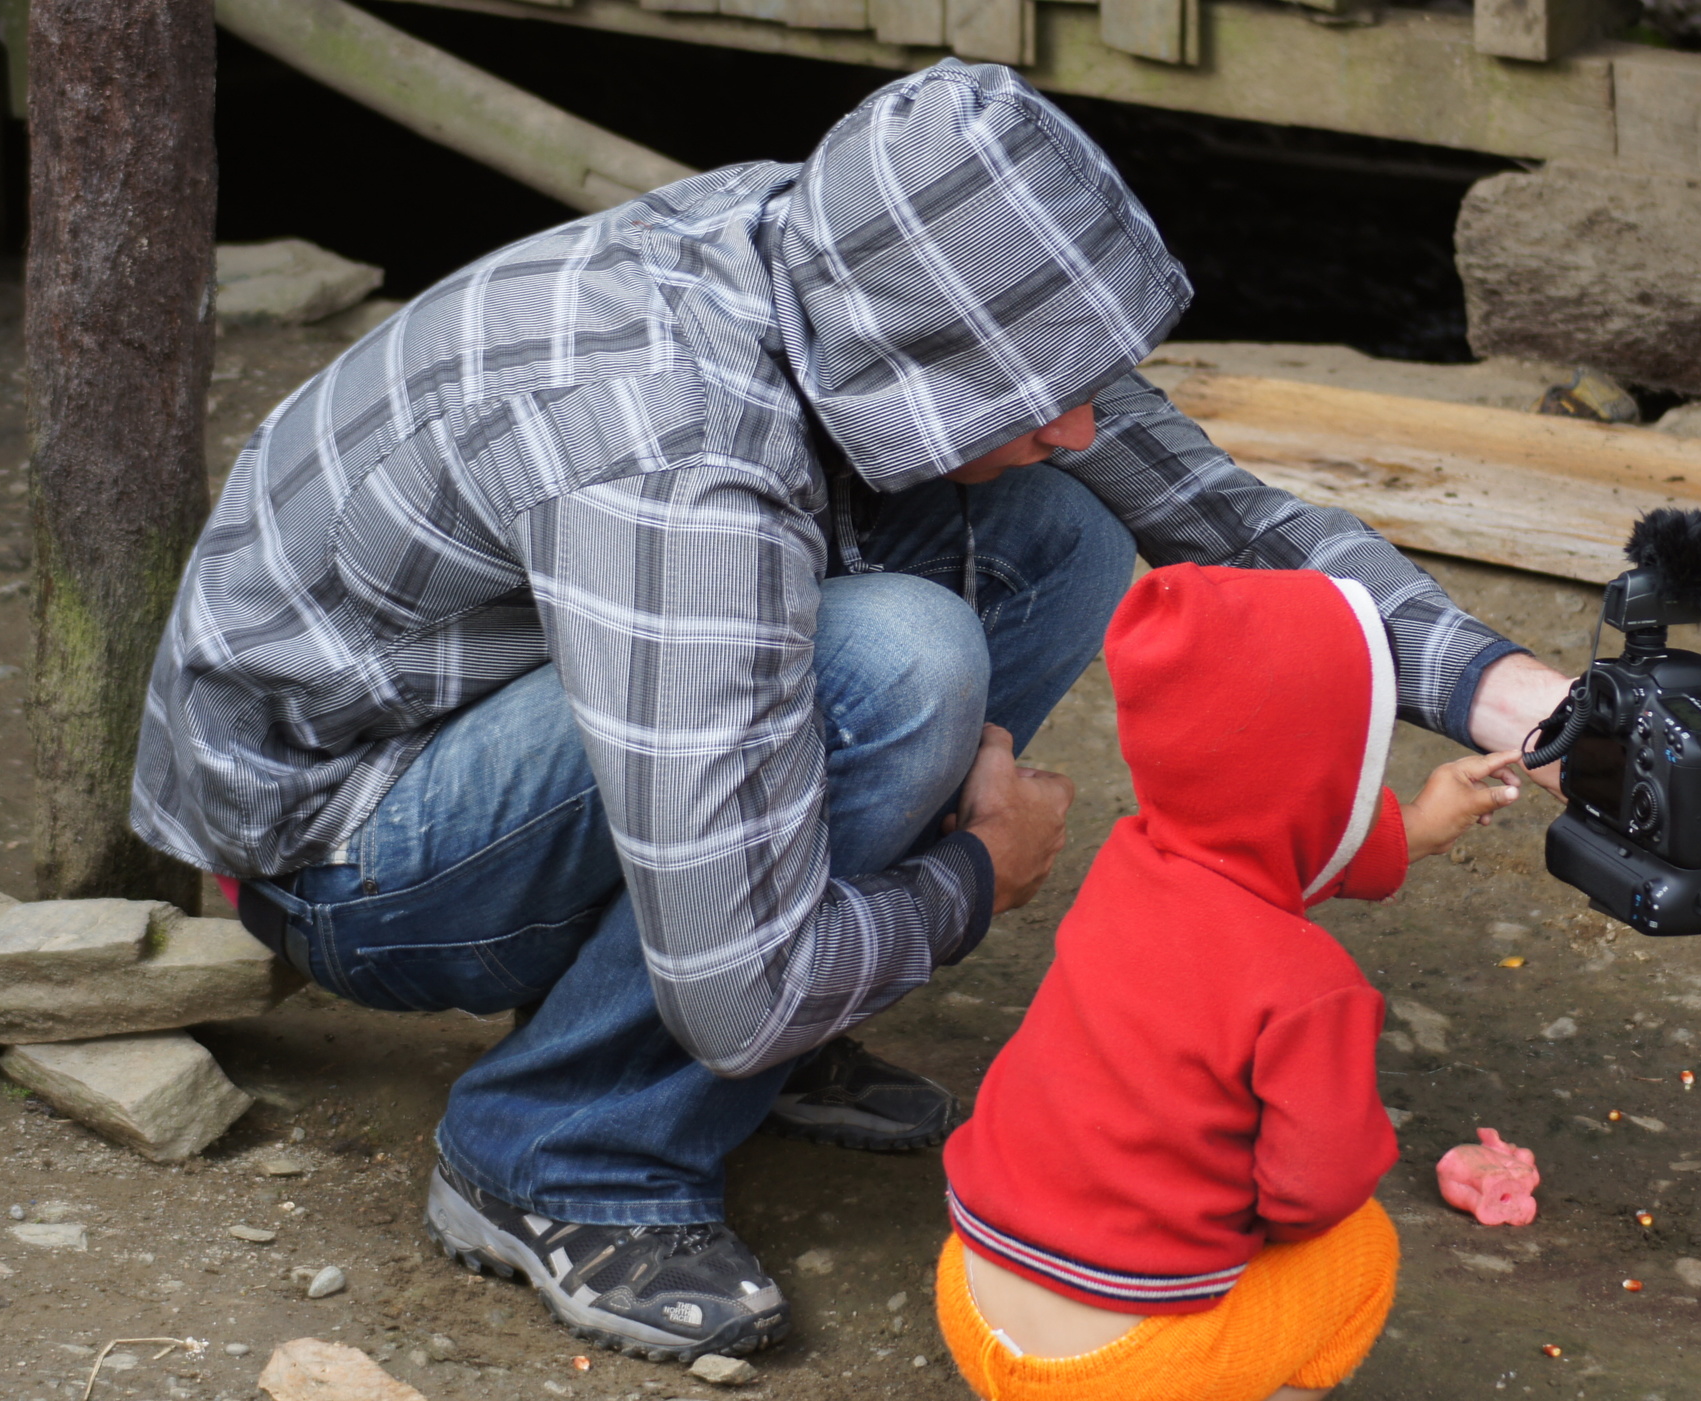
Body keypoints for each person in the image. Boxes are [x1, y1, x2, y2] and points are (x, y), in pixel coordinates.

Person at [130, 61, 1572, 1363]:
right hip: (345, 845)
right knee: (893, 664)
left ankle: (741, 1006)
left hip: (504, 695)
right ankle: (558, 1152)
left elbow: (1220, 518)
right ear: (907, 352)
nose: (1082, 417)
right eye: (1032, 390)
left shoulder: (843, 247)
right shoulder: (680, 463)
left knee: (1062, 524)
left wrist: (1514, 693)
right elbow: (735, 985)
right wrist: (972, 877)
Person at [936, 564, 1523, 1401]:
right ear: (1327, 776)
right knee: (1360, 1248)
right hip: (1130, 1370)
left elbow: (1237, 871)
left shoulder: (1127, 863)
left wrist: (1413, 830)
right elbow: (1313, 1189)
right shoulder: (1313, 985)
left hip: (974, 1301)